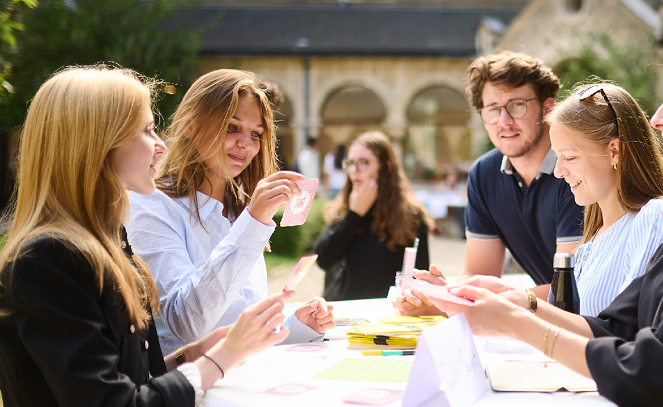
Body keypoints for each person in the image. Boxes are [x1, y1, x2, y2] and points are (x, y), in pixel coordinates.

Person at [430, 34, 663, 407]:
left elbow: (655, 368)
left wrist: (516, 323)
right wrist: (520, 303)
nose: (657, 117)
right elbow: (614, 326)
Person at [0, 66, 293, 407]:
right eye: (146, 130)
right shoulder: (49, 259)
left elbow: (132, 379)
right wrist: (221, 359)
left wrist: (190, 356)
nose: (161, 145)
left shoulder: (106, 244)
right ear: (95, 142)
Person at [126, 69, 334, 356]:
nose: (245, 144)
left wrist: (297, 325)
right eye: (231, 127)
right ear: (189, 124)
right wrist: (253, 223)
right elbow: (186, 324)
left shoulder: (238, 208)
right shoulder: (151, 204)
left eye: (256, 134)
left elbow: (236, 328)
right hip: (189, 391)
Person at [394, 51, 584, 315]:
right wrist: (441, 298)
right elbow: (479, 273)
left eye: (517, 104)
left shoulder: (575, 168)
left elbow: (572, 286)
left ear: (549, 108)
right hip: (548, 319)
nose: (504, 121)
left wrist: (463, 301)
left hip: (601, 323)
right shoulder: (485, 174)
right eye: (493, 109)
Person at [548, 83, 663, 407]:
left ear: (615, 150)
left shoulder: (653, 220)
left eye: (569, 158)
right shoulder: (589, 245)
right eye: (557, 158)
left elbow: (632, 335)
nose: (559, 172)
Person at [315, 131, 434, 301]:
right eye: (350, 163)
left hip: (385, 315)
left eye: (364, 162)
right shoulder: (342, 208)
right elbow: (323, 259)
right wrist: (353, 215)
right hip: (341, 311)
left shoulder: (411, 216)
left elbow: (420, 276)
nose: (354, 170)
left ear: (386, 167)